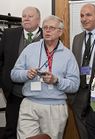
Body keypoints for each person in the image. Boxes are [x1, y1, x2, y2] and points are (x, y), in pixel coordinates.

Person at [10, 15, 80, 139]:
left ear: (60, 32)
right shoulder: (30, 49)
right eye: (45, 27)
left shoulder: (68, 55)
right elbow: (14, 74)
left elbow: (74, 85)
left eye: (51, 28)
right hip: (30, 104)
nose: (47, 31)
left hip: (55, 108)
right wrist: (26, 74)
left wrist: (56, 80)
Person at [0, 6, 42, 139]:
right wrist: (4, 83)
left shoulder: (47, 35)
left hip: (40, 94)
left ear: (38, 20)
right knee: (11, 127)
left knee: (37, 130)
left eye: (30, 16)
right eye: (24, 16)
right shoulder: (9, 34)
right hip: (14, 92)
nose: (26, 18)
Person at [71, 3, 95, 139]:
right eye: (81, 15)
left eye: (88, 15)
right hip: (80, 89)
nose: (84, 19)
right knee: (81, 123)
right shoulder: (77, 38)